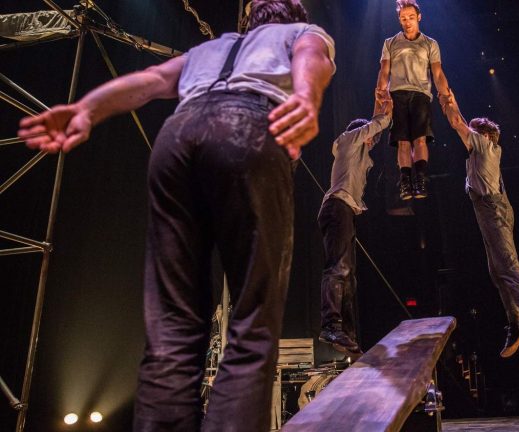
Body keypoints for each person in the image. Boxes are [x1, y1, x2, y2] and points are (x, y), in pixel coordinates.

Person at [18, 1, 335, 430]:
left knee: (171, 328)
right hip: (250, 125)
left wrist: (88, 108)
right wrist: (305, 96)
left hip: (179, 136)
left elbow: (151, 81)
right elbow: (311, 58)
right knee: (252, 322)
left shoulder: (212, 48)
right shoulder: (304, 32)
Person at [439, 89, 519, 358]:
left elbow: (456, 122)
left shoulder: (484, 146)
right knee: (497, 272)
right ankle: (515, 322)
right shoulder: (484, 150)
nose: (467, 137)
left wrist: (444, 98)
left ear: (484, 136)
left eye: (473, 133)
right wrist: (452, 100)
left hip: (492, 210)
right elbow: (460, 120)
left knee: (508, 264)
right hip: (492, 211)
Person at [317, 99, 393, 357]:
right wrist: (385, 109)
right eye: (370, 138)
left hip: (345, 211)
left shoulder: (363, 158)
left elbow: (374, 134)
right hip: (337, 207)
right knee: (338, 268)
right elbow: (375, 125)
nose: (373, 142)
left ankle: (346, 334)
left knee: (349, 277)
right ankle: (330, 325)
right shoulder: (348, 141)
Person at [375, 0, 451, 200]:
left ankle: (420, 178)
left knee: (419, 139)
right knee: (403, 142)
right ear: (399, 20)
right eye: (403, 18)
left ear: (419, 17)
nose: (407, 22)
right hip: (397, 94)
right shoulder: (390, 42)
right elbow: (384, 70)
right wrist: (381, 91)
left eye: (410, 17)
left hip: (420, 94)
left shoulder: (430, 43)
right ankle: (406, 181)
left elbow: (437, 73)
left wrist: (445, 95)